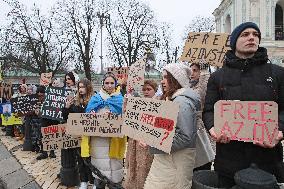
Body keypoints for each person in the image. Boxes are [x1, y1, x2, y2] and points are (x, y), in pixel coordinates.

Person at [203, 22, 284, 187]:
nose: (252, 38)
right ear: (234, 42)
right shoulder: (217, 77)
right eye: (245, 34)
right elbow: (209, 111)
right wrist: (213, 129)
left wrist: (280, 132)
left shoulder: (277, 73)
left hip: (268, 161)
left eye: (255, 34)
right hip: (229, 161)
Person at [144, 63, 200, 189]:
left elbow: (184, 137)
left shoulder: (182, 102)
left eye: (165, 77)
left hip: (173, 164)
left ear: (175, 80)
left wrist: (152, 143)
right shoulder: (174, 100)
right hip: (169, 162)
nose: (162, 81)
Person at [84, 72, 126, 189]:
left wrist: (113, 115)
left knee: (115, 176)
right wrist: (92, 115)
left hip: (114, 141)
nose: (109, 85)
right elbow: (86, 119)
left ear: (115, 84)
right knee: (99, 176)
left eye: (112, 83)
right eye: (107, 83)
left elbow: (125, 119)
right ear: (103, 84)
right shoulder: (95, 98)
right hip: (98, 142)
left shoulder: (120, 99)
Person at [124, 80, 158, 189]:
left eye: (149, 89)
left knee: (146, 169)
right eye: (144, 89)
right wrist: (127, 103)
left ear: (155, 90)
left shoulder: (159, 104)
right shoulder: (138, 103)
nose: (146, 92)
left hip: (148, 143)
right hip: (135, 142)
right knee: (135, 169)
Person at [62, 78, 94, 189]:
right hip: (79, 136)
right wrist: (66, 107)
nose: (80, 89)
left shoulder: (94, 100)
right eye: (79, 87)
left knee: (91, 159)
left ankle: (93, 181)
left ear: (88, 87)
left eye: (83, 87)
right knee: (80, 159)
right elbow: (66, 117)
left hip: (91, 136)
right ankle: (84, 181)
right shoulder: (75, 102)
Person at [189, 63, 215, 171]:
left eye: (195, 70)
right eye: (191, 70)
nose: (192, 74)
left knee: (202, 164)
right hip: (191, 131)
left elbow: (201, 93)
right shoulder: (191, 87)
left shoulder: (203, 87)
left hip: (201, 130)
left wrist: (204, 72)